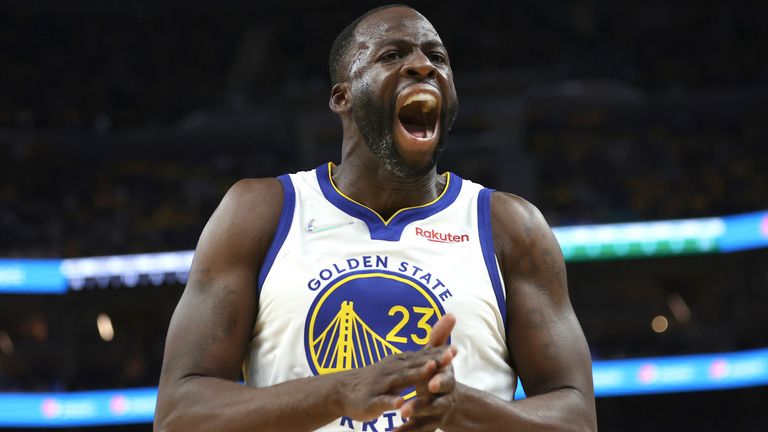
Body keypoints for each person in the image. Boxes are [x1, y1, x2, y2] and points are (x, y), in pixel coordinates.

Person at [154, 5, 597, 432]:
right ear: (342, 96)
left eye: (437, 57)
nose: (423, 66)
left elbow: (576, 418)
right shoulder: (259, 211)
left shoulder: (510, 226)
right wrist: (340, 392)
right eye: (393, 55)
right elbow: (179, 415)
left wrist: (463, 410)